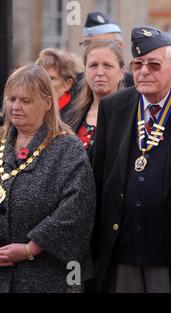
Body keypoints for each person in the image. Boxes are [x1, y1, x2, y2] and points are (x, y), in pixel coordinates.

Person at [92, 26, 171, 293]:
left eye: (153, 64)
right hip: (122, 246)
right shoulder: (113, 106)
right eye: (137, 64)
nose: (144, 71)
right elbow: (99, 176)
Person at [0, 64, 95, 292]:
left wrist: (31, 248)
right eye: (11, 99)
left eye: (26, 100)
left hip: (50, 277)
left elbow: (76, 210)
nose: (16, 107)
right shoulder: (2, 143)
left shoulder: (67, 148)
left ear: (47, 103)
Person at [68, 39, 125, 162]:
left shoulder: (131, 116)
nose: (100, 73)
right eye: (93, 65)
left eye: (108, 65)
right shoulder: (71, 115)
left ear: (121, 72)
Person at [35, 48, 80, 122]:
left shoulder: (77, 117)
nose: (43, 82)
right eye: (40, 77)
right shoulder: (29, 109)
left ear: (67, 84)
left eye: (51, 78)